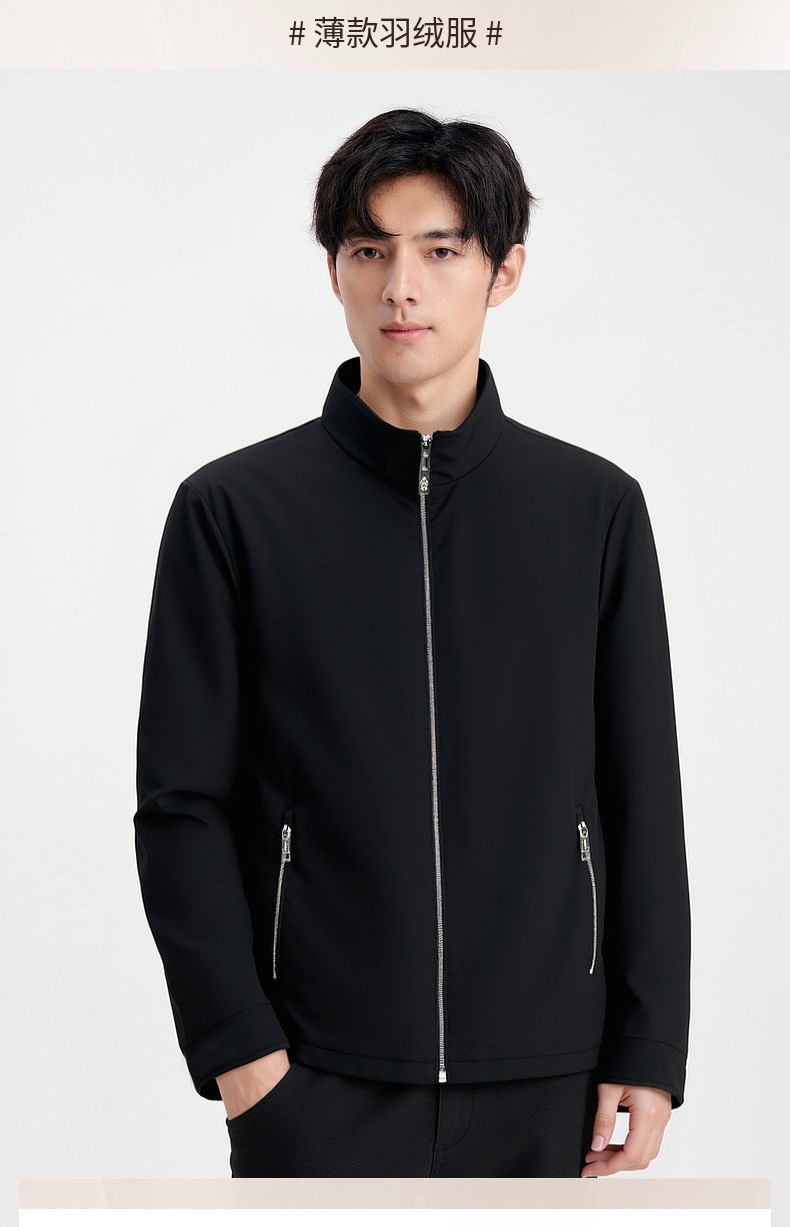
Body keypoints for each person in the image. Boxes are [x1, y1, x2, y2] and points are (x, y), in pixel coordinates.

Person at [134, 107, 691, 1179]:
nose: (402, 287)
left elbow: (640, 792)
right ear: (333, 272)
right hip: (315, 1080)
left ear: (504, 271)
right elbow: (181, 803)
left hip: (552, 1080)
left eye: (442, 251)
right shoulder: (233, 510)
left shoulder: (593, 509)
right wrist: (240, 1053)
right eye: (369, 250)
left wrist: (650, 1044)